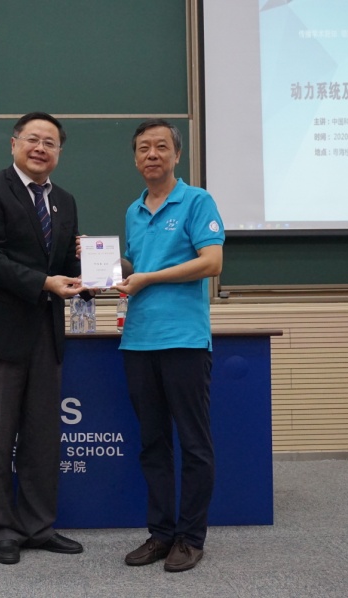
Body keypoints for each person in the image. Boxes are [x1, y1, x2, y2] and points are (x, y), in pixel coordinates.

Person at [0, 112, 86, 565]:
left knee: (42, 438)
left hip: (46, 334)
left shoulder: (64, 201)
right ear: (14, 144)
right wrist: (44, 283)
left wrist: (88, 266)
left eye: (50, 142)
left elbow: (66, 268)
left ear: (59, 153)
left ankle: (38, 526)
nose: (40, 148)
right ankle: (1, 530)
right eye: (33, 139)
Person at [113, 119, 225, 573]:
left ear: (177, 155)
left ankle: (190, 538)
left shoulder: (197, 201)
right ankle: (160, 534)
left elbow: (212, 262)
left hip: (184, 340)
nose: (152, 154)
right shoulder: (133, 210)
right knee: (153, 444)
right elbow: (135, 266)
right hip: (138, 340)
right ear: (135, 158)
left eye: (161, 147)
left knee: (194, 444)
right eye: (143, 148)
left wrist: (148, 278)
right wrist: (103, 263)